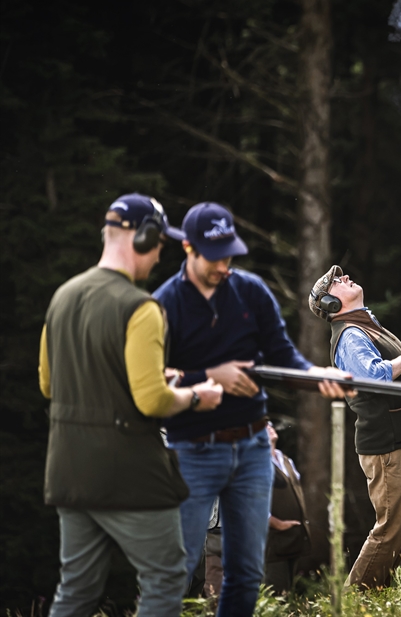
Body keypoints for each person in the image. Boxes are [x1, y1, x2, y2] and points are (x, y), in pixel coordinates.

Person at [153, 201, 350, 615]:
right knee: (177, 567)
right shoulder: (163, 305)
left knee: (245, 571)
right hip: (194, 450)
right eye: (213, 256)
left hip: (253, 446)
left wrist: (318, 375)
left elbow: (283, 357)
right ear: (187, 248)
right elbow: (150, 381)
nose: (223, 264)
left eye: (228, 254)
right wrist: (211, 375)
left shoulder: (251, 292)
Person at [39, 193, 223, 616]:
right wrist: (198, 395)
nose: (159, 257)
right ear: (144, 237)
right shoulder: (141, 308)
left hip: (68, 469)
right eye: (160, 245)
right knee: (167, 577)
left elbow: (51, 384)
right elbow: (152, 400)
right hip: (125, 473)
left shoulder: (62, 297)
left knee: (77, 590)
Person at [309, 265, 401, 589]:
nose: (345, 278)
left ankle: (377, 596)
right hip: (387, 444)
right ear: (329, 305)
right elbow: (372, 377)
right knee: (390, 529)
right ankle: (355, 601)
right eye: (335, 282)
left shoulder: (363, 324)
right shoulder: (350, 334)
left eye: (342, 276)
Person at [264, 422, 311, 594]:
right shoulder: (257, 463)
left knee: (287, 591)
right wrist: (276, 523)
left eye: (270, 425)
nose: (269, 427)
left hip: (292, 537)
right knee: (275, 593)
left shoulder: (285, 459)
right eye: (263, 426)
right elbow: (252, 501)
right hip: (273, 538)